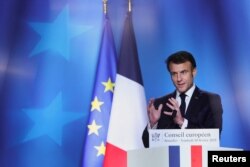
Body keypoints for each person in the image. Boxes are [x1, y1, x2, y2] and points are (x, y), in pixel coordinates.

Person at [142, 51, 223, 148]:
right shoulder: (160, 104)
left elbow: (214, 138)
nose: (179, 79)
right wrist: (153, 124)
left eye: (183, 72)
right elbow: (147, 145)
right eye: (174, 74)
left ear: (194, 72)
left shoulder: (211, 100)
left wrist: (182, 122)